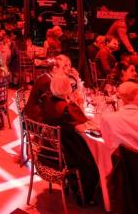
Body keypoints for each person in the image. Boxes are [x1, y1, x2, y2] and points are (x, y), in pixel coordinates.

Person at [40, 74, 99, 205]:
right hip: (65, 153)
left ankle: (72, 184)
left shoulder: (46, 100)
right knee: (94, 157)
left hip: (47, 151)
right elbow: (83, 128)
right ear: (68, 88)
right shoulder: (67, 108)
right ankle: (84, 195)